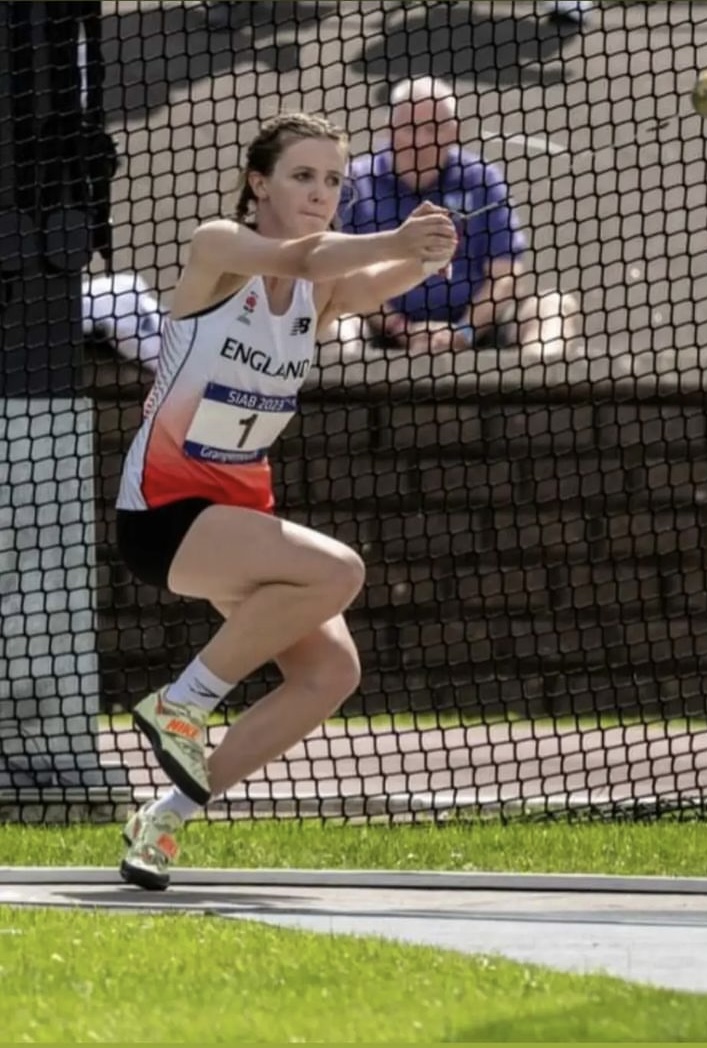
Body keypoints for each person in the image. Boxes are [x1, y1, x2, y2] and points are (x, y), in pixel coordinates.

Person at [115, 111, 458, 890]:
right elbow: (305, 254)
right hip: (164, 512)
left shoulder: (320, 288)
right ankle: (182, 702)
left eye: (333, 180)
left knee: (329, 672)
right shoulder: (220, 248)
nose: (320, 192)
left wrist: (424, 254)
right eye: (303, 176)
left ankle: (163, 819)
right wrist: (397, 239)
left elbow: (361, 281)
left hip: (237, 518)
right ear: (258, 183)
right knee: (340, 571)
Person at [339, 76, 580, 363]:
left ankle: (538, 390)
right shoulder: (355, 183)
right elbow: (342, 276)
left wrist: (464, 332)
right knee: (336, 324)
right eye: (409, 128)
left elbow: (506, 276)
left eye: (433, 128)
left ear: (454, 132)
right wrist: (400, 328)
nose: (421, 141)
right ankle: (342, 393)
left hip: (476, 332)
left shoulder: (481, 179)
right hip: (381, 333)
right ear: (389, 129)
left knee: (554, 307)